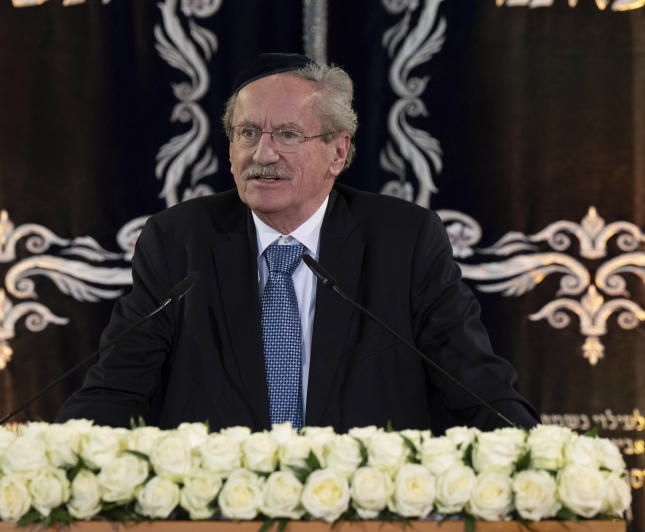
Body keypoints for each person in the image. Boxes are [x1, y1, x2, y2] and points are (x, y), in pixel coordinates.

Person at [57, 53, 537, 433]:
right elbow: (115, 390)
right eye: (247, 133)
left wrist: (552, 480)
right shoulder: (178, 241)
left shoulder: (403, 240)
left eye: (287, 134)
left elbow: (477, 386)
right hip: (215, 527)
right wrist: (53, 470)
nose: (262, 154)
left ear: (338, 151)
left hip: (368, 525)